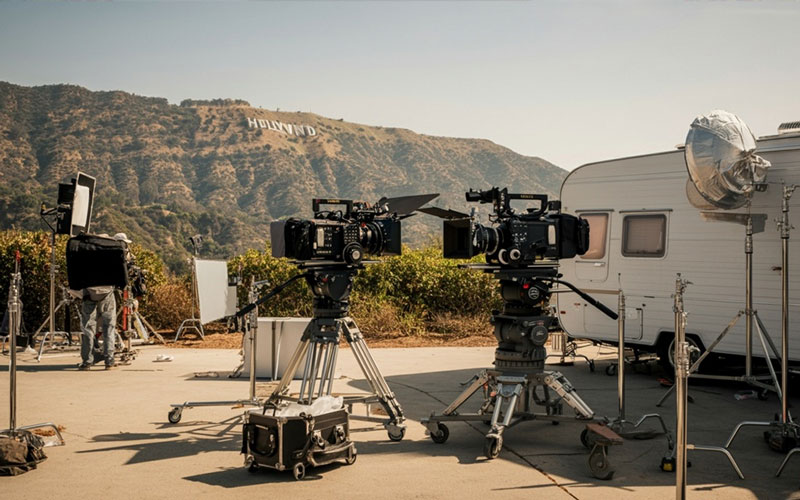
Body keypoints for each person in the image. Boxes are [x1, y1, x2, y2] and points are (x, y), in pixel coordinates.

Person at [76, 232, 131, 371]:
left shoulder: (86, 253)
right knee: (109, 327)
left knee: (88, 327)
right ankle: (109, 361)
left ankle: (87, 362)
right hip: (107, 292)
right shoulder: (110, 253)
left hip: (89, 292)